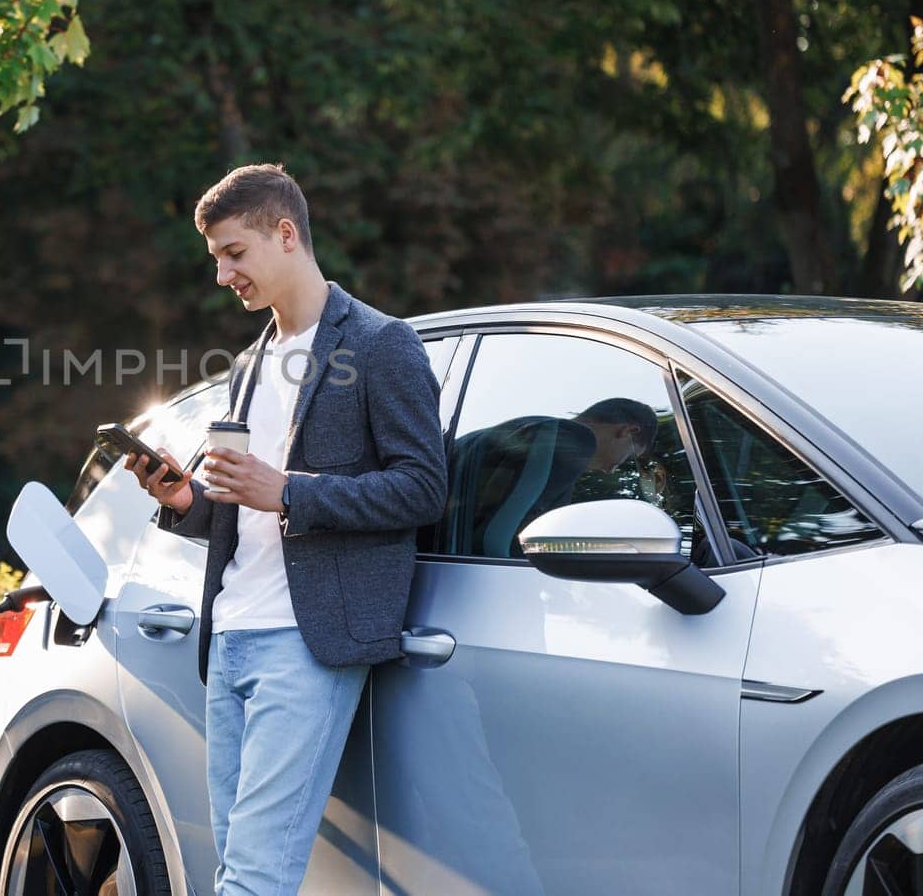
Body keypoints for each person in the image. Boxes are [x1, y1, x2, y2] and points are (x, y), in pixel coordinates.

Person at [124, 164, 446, 895]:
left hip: (309, 644)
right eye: (214, 259)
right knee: (238, 872)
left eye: (233, 253)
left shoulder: (380, 344)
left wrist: (291, 491)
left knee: (254, 879)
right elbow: (245, 510)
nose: (222, 275)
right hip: (230, 638)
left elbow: (424, 487)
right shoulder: (246, 364)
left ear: (286, 233)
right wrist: (186, 500)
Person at [448, 398, 658, 559]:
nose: (611, 471)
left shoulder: (527, 430)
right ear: (628, 431)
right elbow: (495, 540)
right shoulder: (571, 438)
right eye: (627, 457)